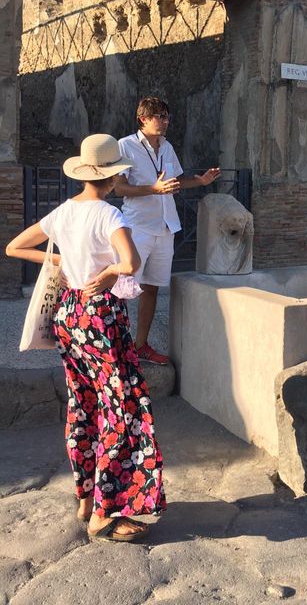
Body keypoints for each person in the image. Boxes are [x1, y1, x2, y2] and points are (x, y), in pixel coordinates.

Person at [6, 134, 166, 542]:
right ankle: (104, 512)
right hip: (101, 318)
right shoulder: (110, 217)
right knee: (121, 410)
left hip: (69, 314)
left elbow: (14, 247)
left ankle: (85, 496)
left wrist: (62, 260)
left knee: (84, 404)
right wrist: (110, 272)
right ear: (113, 178)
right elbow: (130, 263)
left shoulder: (63, 212)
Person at [115, 97, 220, 365]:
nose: (164, 121)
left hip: (165, 228)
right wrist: (153, 189)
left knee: (151, 288)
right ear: (143, 119)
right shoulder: (125, 145)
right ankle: (116, 348)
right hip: (138, 226)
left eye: (166, 116)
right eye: (159, 116)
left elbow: (175, 183)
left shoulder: (167, 147)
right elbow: (120, 189)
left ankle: (140, 346)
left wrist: (200, 181)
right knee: (123, 289)